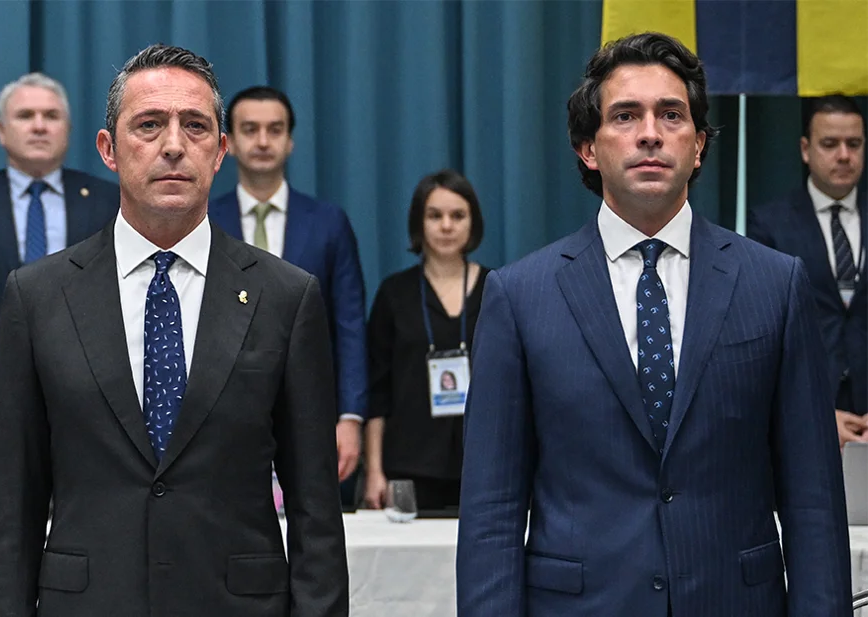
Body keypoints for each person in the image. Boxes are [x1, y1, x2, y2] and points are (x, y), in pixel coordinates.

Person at [457, 32, 850, 617]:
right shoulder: (519, 297)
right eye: (625, 116)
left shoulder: (775, 284)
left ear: (698, 146)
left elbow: (813, 500)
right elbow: (491, 509)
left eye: (671, 114)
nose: (650, 133)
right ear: (588, 149)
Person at [0, 44, 348, 617]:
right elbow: (13, 507)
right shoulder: (38, 296)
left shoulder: (285, 296)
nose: (173, 145)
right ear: (108, 149)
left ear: (220, 151)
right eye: (149, 125)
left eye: (195, 126)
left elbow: (315, 506)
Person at [0, 73, 118, 481]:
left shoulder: (108, 200)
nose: (39, 126)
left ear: (68, 130)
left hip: (94, 407)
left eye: (51, 116)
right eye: (25, 116)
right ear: (1, 131)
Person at [208, 87, 367, 495]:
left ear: (291, 141)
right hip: (219, 415)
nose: (263, 141)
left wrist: (350, 417)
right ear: (228, 143)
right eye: (250, 129)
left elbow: (349, 324)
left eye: (274, 130)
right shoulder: (205, 219)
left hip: (311, 408)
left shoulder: (328, 222)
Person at [364, 169, 488, 512]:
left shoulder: (498, 290)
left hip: (484, 464)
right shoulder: (394, 294)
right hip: (408, 467)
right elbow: (377, 391)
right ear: (419, 222)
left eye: (457, 216)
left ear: (473, 223)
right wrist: (373, 470)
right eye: (435, 216)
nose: (446, 226)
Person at [747, 95, 866, 447]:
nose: (843, 155)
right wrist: (816, 414)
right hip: (804, 414)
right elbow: (764, 332)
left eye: (854, 144)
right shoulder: (769, 224)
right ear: (804, 149)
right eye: (829, 144)